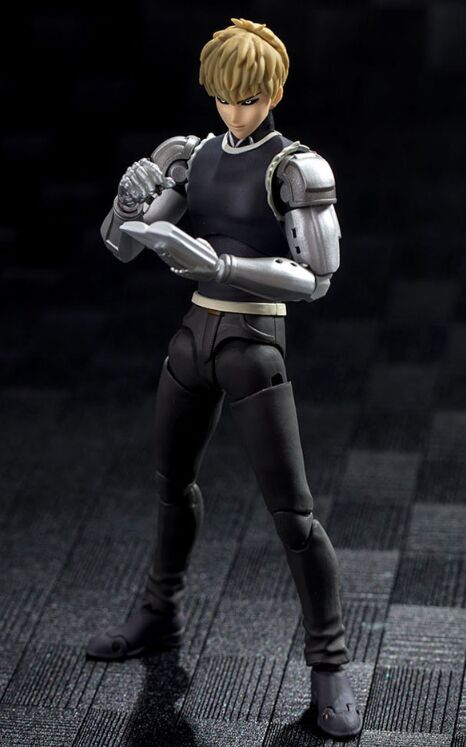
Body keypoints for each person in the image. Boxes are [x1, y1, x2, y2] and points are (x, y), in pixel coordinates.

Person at [87, 18, 362, 739]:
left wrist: (221, 264)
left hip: (254, 343)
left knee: (293, 515)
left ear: (273, 93)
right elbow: (121, 246)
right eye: (223, 98)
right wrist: (127, 201)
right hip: (193, 337)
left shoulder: (295, 169)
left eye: (248, 98)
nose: (234, 111)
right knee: (171, 486)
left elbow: (317, 278)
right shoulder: (192, 154)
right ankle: (159, 612)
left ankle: (329, 663)